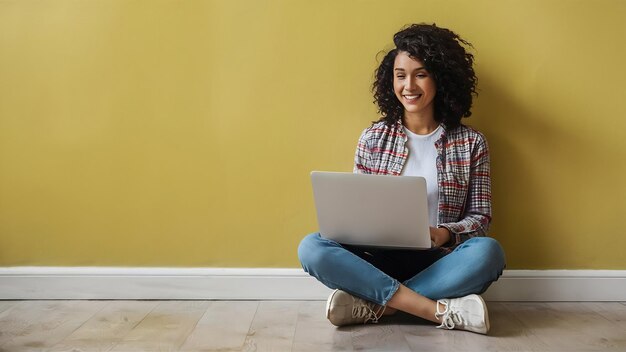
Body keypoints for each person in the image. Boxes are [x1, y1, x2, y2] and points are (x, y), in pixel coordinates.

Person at [297, 23, 506, 335]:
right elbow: (356, 212)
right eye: (400, 75)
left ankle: (375, 306)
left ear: (440, 77)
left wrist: (444, 233)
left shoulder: (471, 142)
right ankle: (437, 311)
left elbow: (480, 218)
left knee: (489, 253)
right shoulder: (373, 138)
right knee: (311, 247)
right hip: (376, 260)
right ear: (390, 80)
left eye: (420, 74)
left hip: (439, 261)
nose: (409, 85)